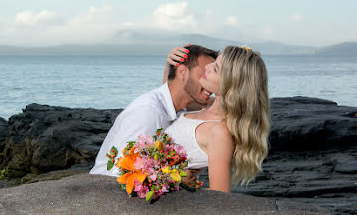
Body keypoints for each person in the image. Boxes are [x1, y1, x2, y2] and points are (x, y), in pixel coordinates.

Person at [90, 45, 219, 176]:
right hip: (102, 189)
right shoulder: (148, 112)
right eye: (204, 74)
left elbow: (224, 103)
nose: (209, 83)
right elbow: (118, 170)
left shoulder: (182, 107)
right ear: (182, 73)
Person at [165, 45, 270, 192]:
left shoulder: (220, 132)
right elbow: (167, 101)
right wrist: (170, 65)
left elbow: (220, 195)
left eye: (215, 68)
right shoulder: (201, 105)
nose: (207, 66)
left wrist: (179, 185)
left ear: (231, 84)